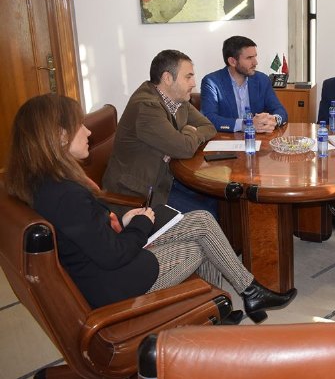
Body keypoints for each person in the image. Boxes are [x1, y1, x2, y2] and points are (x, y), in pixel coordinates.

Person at [5, 93, 296, 324]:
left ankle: (244, 295)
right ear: (59, 136)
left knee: (201, 220)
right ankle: (223, 308)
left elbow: (90, 233)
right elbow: (113, 255)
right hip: (114, 282)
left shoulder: (43, 182)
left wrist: (126, 220)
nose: (87, 131)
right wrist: (141, 224)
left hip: (105, 263)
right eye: (79, 125)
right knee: (199, 247)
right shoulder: (64, 194)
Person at [102, 49, 217, 217]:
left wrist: (186, 136)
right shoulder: (146, 107)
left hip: (165, 178)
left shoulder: (178, 99)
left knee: (217, 200)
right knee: (207, 214)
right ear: (167, 78)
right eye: (188, 77)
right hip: (139, 194)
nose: (193, 83)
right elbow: (184, 148)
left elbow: (208, 127)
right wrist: (188, 130)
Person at [200, 35, 288, 133]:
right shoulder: (212, 82)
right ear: (232, 61)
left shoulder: (262, 80)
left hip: (258, 138)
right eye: (249, 58)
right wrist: (245, 124)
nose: (255, 62)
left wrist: (273, 120)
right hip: (227, 138)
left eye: (255, 56)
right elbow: (208, 118)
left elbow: (280, 110)